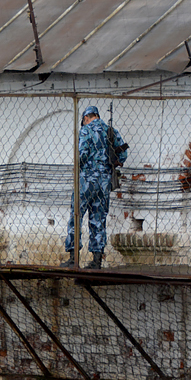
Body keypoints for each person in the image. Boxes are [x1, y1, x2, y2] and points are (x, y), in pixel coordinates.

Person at [62, 105, 128, 269]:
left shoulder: (86, 130)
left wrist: (81, 168)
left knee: (76, 214)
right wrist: (110, 164)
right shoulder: (110, 131)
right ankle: (96, 260)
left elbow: (82, 154)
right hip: (104, 181)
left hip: (87, 179)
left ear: (85, 118)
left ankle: (73, 258)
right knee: (98, 218)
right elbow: (123, 153)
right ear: (97, 115)